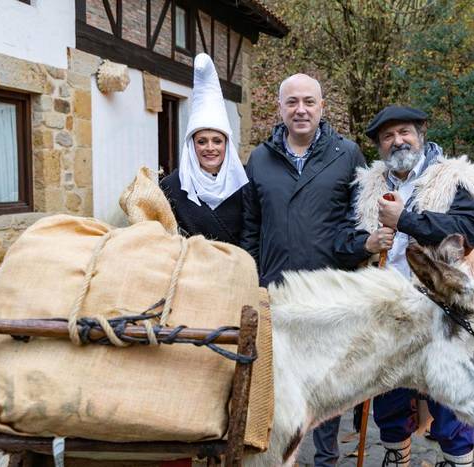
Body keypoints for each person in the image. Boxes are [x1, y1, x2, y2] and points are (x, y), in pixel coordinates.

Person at [336, 105, 474, 467]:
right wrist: (366, 244)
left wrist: (406, 220)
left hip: (443, 310)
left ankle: (457, 461)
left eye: (404, 133)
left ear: (420, 135)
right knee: (389, 394)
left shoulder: (452, 178)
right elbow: (342, 238)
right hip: (390, 307)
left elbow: (467, 230)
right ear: (379, 147)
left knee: (451, 397)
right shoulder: (369, 186)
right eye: (387, 136)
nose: (397, 141)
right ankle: (397, 457)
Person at [241, 73, 380, 466]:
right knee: (277, 381)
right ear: (280, 108)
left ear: (322, 107)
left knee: (325, 382)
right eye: (292, 102)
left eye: (309, 102)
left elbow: (360, 226)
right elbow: (252, 227)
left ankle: (327, 459)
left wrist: (357, 257)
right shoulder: (260, 159)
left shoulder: (347, 154)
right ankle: (277, 457)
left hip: (327, 292)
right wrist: (254, 279)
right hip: (277, 291)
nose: (300, 110)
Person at [161, 53, 247, 245]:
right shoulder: (172, 186)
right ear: (192, 146)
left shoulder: (246, 183)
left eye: (217, 141)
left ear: (227, 144)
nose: (210, 148)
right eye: (201, 141)